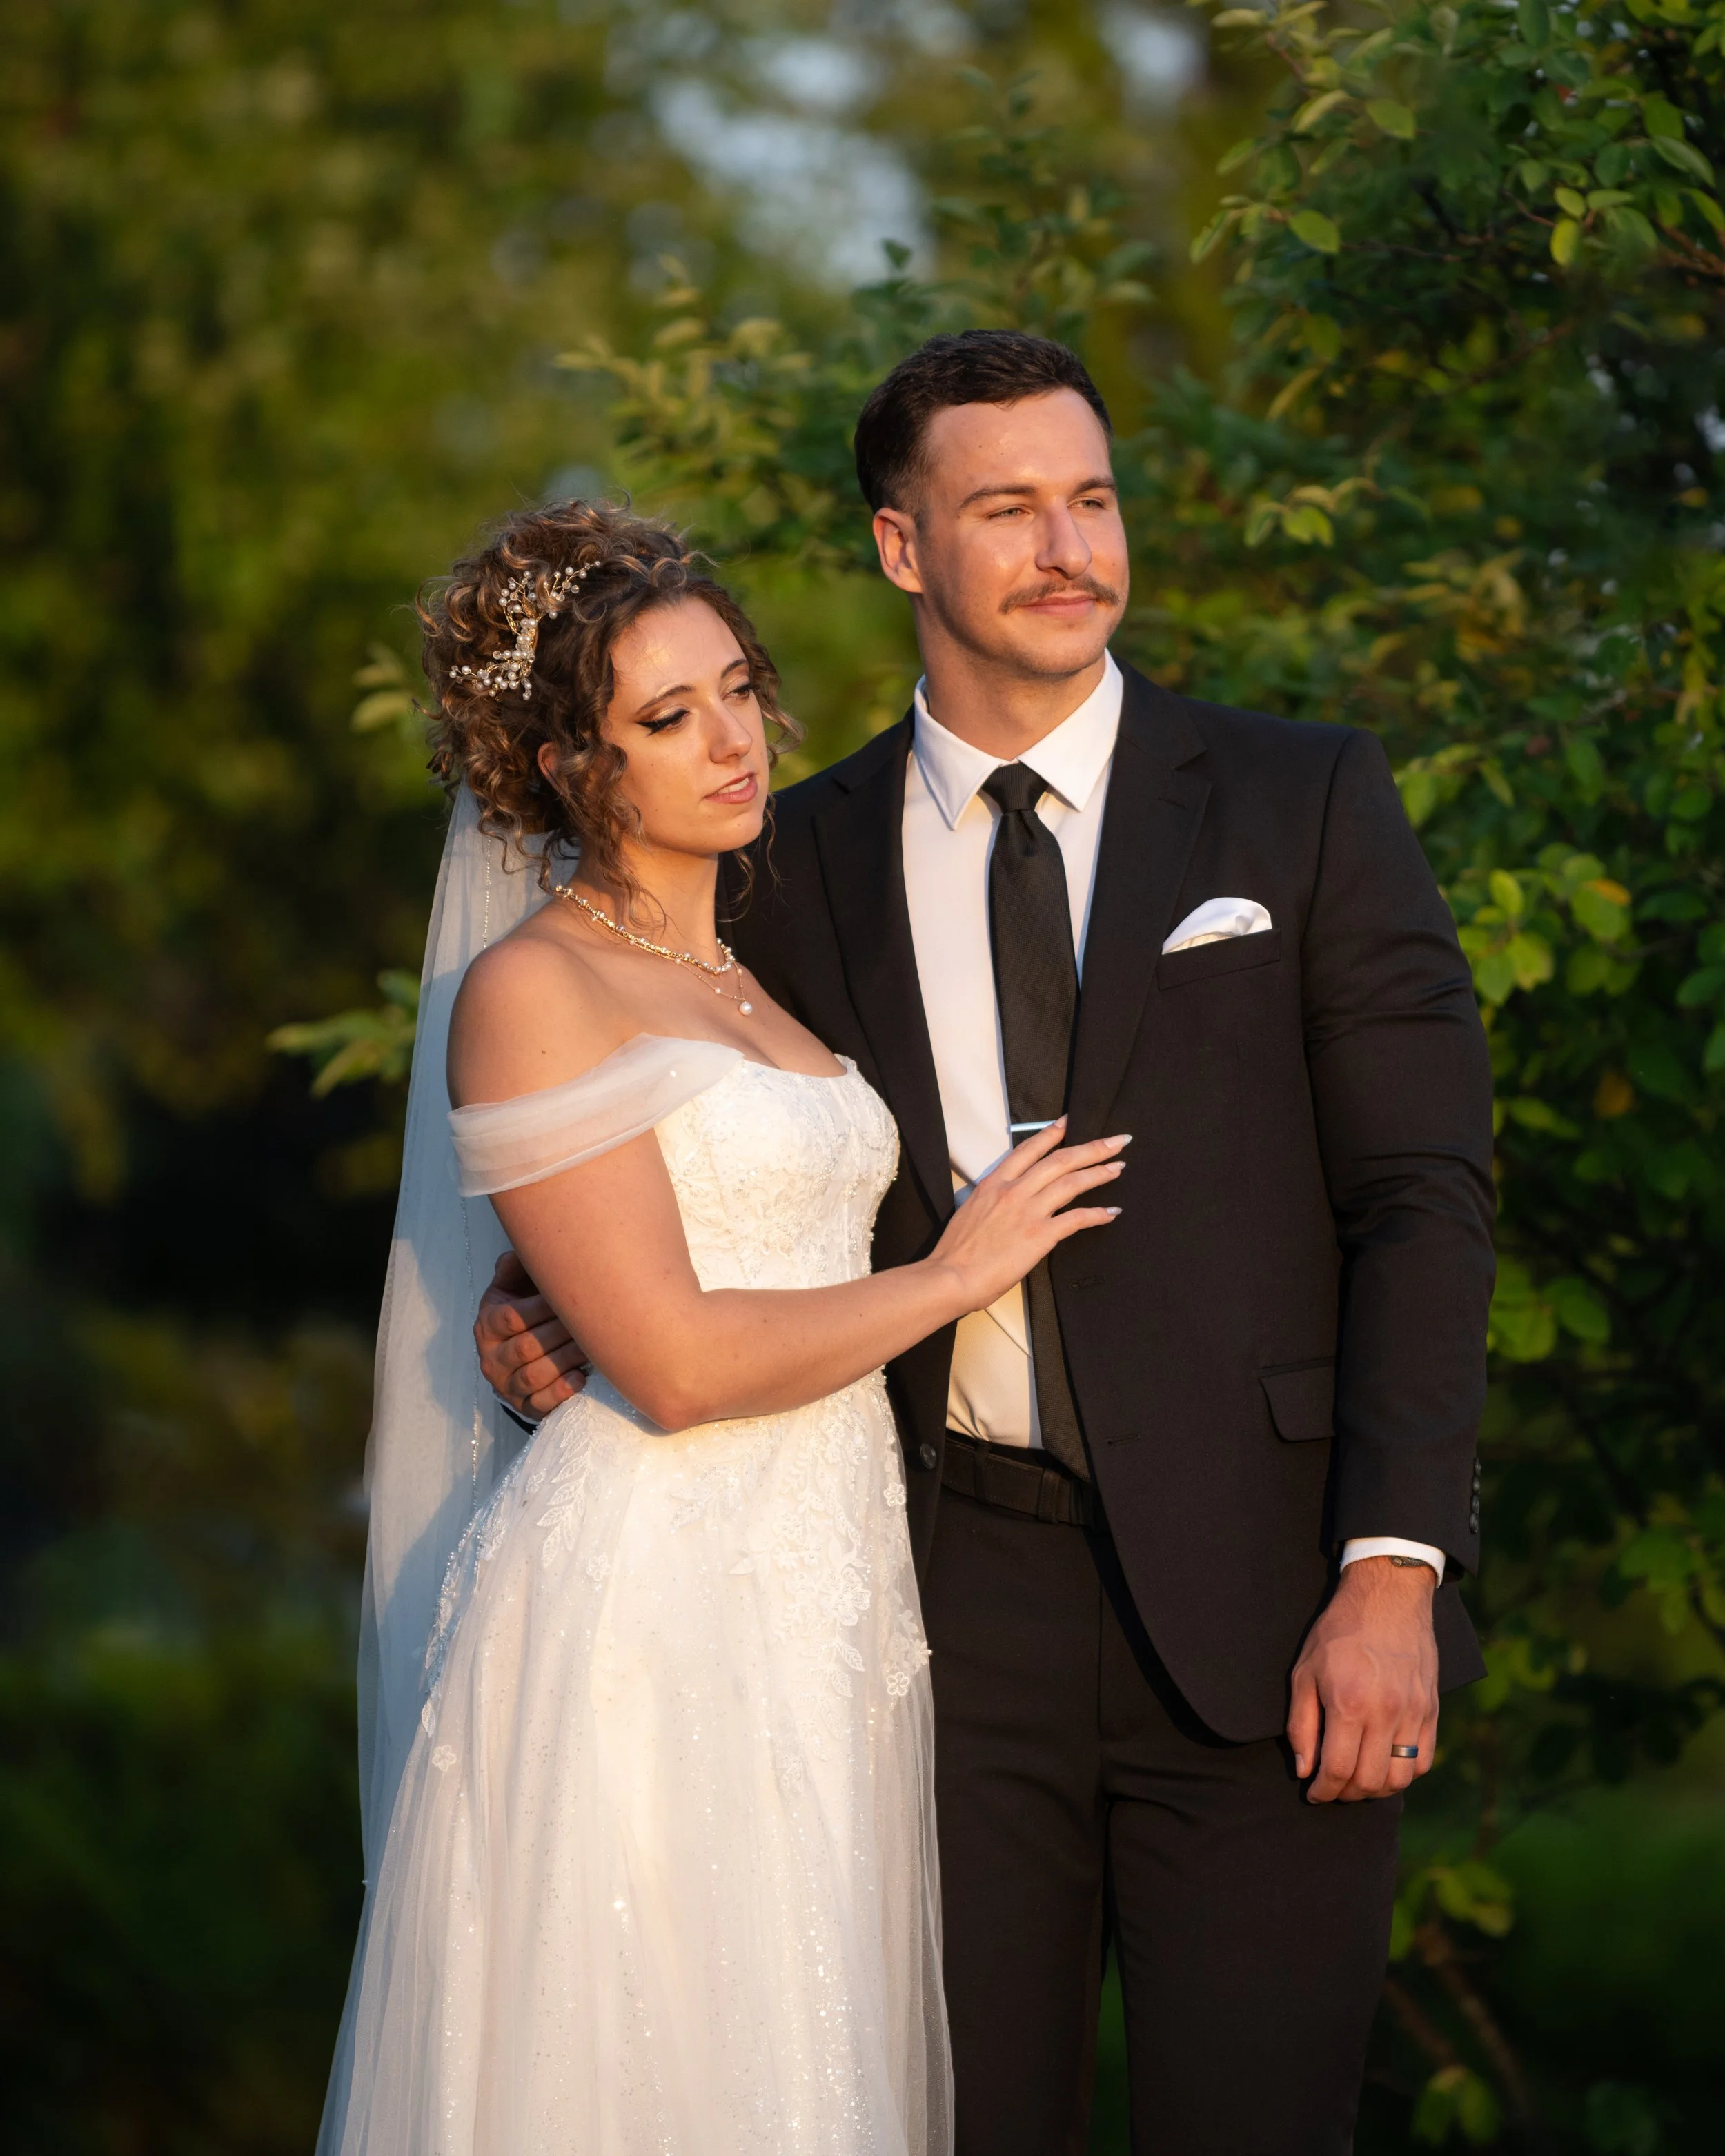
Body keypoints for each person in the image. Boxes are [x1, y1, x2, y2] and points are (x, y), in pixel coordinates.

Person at [477, 333, 1497, 2155]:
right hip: (927, 1626)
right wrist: (534, 1295)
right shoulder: (783, 863)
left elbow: (1422, 1194)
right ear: (898, 547)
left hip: (1273, 1614)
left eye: (1090, 498)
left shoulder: (1303, 799)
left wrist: (1392, 1565)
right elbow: (683, 1131)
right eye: (1006, 507)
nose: (1066, 547)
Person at [318, 501, 1128, 2156]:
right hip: (653, 1595)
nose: (731, 738)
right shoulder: (535, 988)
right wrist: (958, 1274)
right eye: (664, 716)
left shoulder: (760, 970)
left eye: (737, 686)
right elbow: (673, 1361)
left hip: (825, 1589)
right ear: (563, 766)